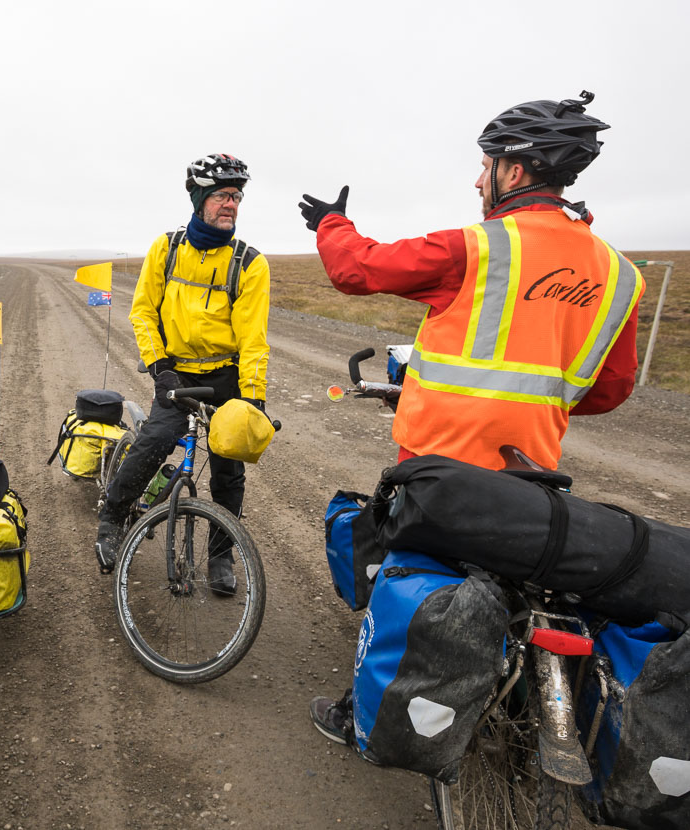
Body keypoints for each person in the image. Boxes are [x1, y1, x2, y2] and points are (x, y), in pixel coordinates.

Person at [298, 92, 645, 746]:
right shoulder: (620, 275)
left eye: (484, 166)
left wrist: (332, 224)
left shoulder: (476, 247)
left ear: (514, 171)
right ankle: (515, 718)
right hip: (530, 472)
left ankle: (363, 715)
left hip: (437, 467)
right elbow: (606, 392)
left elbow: (355, 270)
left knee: (403, 580)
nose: (477, 179)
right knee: (514, 582)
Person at [94, 153, 271, 594]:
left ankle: (220, 556)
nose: (230, 204)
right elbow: (143, 313)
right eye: (220, 195)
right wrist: (159, 369)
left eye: (236, 196)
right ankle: (112, 518)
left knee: (229, 471)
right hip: (176, 374)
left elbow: (254, 340)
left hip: (225, 378)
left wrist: (253, 399)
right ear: (198, 199)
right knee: (153, 443)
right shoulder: (166, 249)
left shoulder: (250, 263)